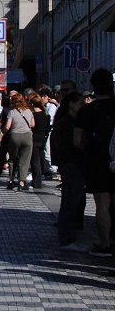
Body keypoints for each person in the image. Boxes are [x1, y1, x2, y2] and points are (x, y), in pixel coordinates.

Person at [73, 68, 115, 257]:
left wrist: (90, 151)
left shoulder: (88, 110)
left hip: (98, 161)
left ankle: (105, 244)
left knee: (102, 203)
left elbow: (77, 141)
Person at [51, 91, 87, 251]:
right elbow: (70, 145)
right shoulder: (67, 123)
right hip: (71, 164)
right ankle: (66, 239)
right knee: (70, 202)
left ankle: (68, 237)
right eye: (80, 103)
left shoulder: (66, 121)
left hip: (70, 164)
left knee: (72, 201)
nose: (83, 106)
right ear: (72, 104)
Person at [4, 92, 35, 191]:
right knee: (25, 160)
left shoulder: (12, 112)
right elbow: (33, 124)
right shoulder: (29, 111)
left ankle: (11, 181)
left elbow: (7, 126)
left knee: (12, 159)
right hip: (27, 136)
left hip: (15, 136)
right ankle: (21, 182)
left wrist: (2, 132)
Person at [29, 94, 49, 189]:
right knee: (40, 159)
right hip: (42, 138)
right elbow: (47, 128)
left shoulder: (33, 115)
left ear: (32, 104)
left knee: (35, 161)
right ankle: (40, 177)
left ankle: (36, 181)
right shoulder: (45, 114)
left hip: (34, 138)